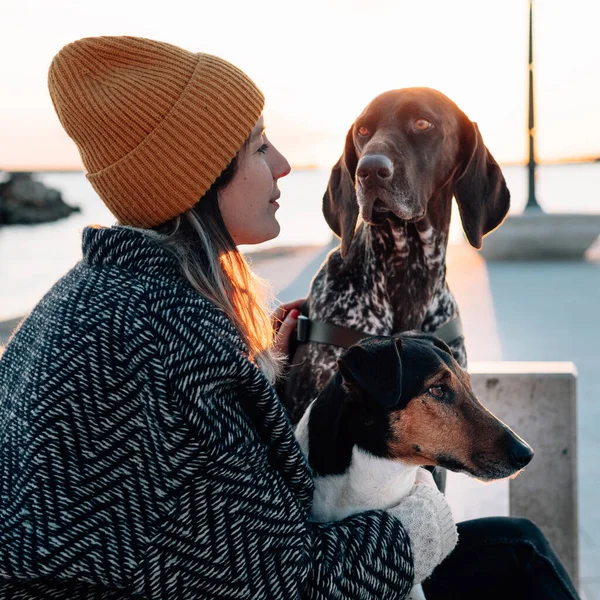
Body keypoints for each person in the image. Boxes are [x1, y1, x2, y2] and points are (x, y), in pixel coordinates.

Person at [0, 36, 579, 600]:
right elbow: (287, 579)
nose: (282, 165)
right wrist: (420, 524)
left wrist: (262, 379)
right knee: (517, 554)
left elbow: (203, 514)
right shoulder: (171, 337)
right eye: (258, 147)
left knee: (513, 545)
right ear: (198, 174)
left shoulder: (92, 301)